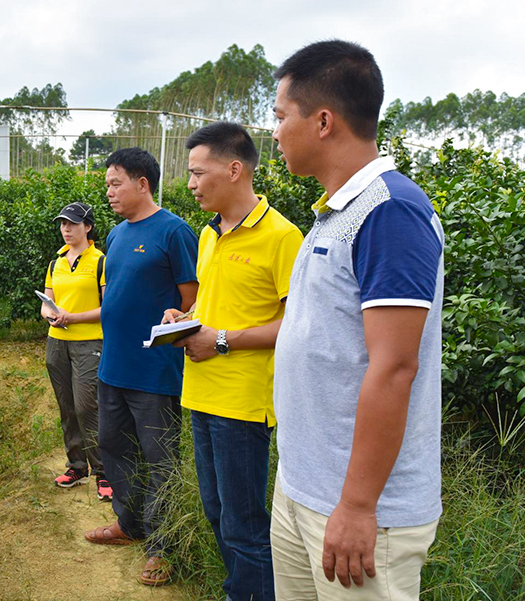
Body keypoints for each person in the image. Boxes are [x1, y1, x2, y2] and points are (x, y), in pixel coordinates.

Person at [270, 40, 444, 600]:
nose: (274, 132)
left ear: (322, 121)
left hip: (359, 512)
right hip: (303, 490)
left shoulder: (389, 211)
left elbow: (394, 366)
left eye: (279, 116)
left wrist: (358, 505)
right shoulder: (333, 214)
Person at [161, 122, 302, 601]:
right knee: (218, 512)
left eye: (199, 173)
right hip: (200, 392)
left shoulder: (283, 237)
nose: (191, 183)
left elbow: (297, 326)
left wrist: (220, 340)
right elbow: (211, 307)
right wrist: (183, 319)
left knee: (244, 523)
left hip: (242, 403)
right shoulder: (207, 235)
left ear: (235, 169)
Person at [83, 147, 199, 587]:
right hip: (114, 365)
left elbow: (191, 301)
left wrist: (178, 322)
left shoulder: (174, 231)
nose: (109, 192)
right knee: (115, 448)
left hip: (154, 370)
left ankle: (162, 545)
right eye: (108, 184)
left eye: (115, 183)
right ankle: (129, 524)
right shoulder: (114, 235)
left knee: (160, 457)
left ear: (142, 184)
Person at [41, 202, 112, 501]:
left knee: (87, 406)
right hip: (57, 341)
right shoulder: (55, 261)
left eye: (72, 224)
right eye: (62, 224)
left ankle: (104, 470)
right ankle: (77, 465)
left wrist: (74, 317)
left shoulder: (100, 261)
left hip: (89, 342)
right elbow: (47, 300)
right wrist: (50, 314)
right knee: (66, 406)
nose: (66, 229)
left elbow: (107, 307)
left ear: (88, 227)